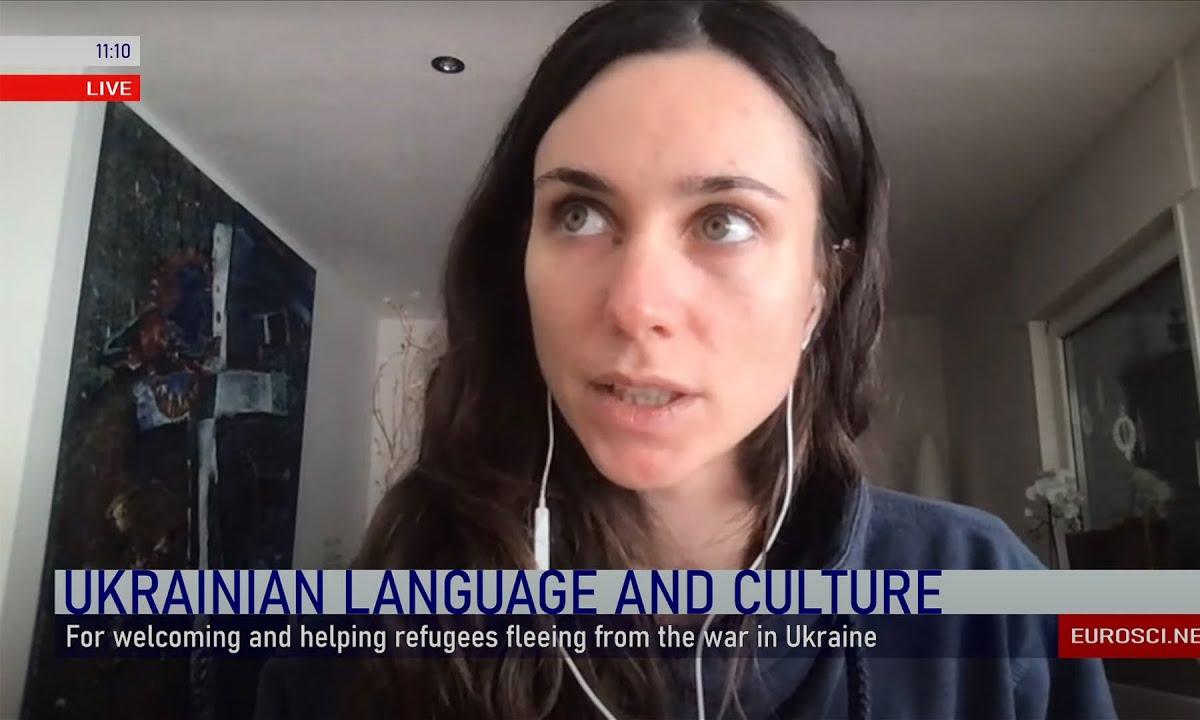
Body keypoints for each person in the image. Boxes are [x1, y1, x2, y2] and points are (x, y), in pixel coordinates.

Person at [256, 1, 1117, 718]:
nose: (636, 305)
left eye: (724, 222)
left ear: (823, 284)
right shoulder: (356, 649)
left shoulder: (991, 608)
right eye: (580, 214)